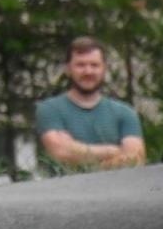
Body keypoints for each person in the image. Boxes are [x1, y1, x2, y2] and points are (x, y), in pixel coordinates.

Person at [35, 36, 145, 172]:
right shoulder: (50, 109)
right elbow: (61, 152)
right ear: (68, 69)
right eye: (80, 65)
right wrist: (113, 151)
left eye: (94, 65)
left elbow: (135, 160)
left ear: (104, 69)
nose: (88, 71)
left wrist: (76, 150)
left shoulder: (125, 113)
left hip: (115, 185)